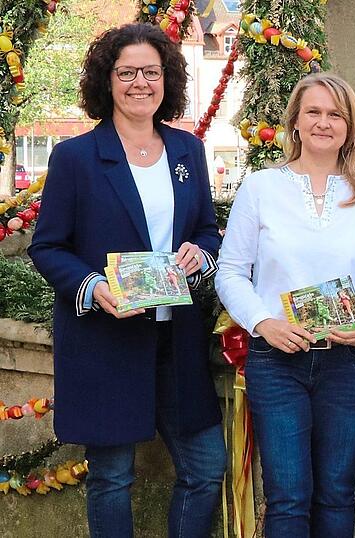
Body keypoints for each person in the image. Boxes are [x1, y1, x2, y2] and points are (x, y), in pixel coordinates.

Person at [28, 23, 225, 538]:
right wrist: (94, 288)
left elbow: (207, 229)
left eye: (151, 72)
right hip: (106, 338)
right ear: (107, 80)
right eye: (127, 72)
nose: (140, 83)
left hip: (176, 335)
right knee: (112, 478)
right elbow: (46, 247)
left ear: (168, 80)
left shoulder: (188, 150)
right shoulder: (76, 157)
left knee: (206, 469)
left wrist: (200, 254)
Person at [215, 72, 355, 536]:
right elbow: (231, 272)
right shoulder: (261, 188)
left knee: (337, 492)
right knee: (288, 497)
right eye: (314, 112)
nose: (324, 122)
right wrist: (262, 323)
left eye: (335, 114)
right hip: (277, 360)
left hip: (349, 361)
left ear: (349, 125)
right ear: (295, 122)